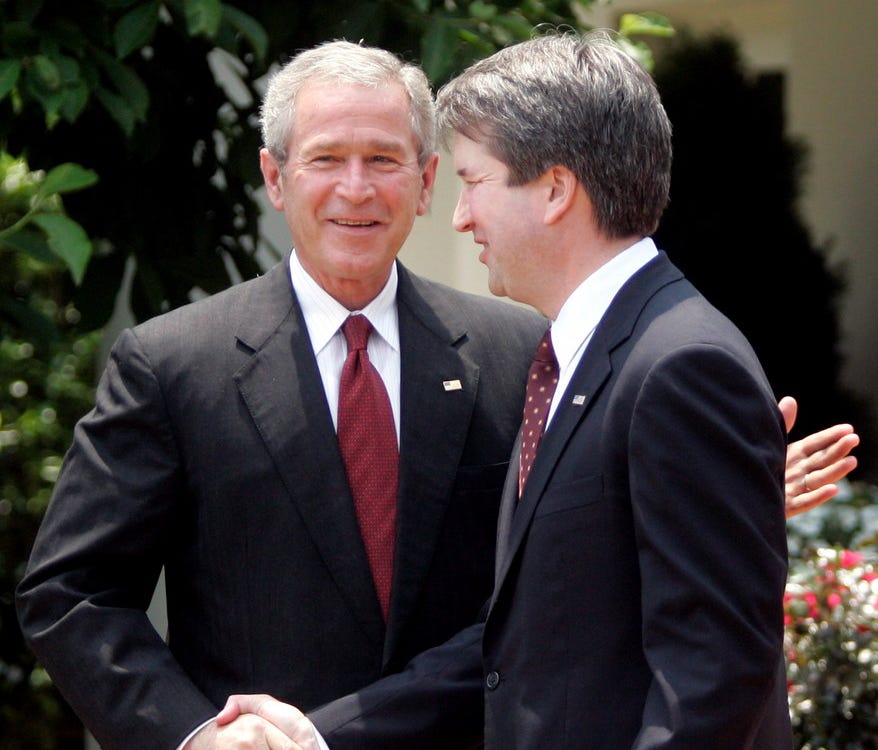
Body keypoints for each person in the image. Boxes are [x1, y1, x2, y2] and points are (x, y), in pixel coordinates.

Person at [16, 40, 856, 750]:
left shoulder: (528, 348)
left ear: (422, 183)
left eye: (384, 161)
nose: (356, 188)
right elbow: (69, 594)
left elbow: (573, 594)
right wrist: (198, 736)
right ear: (275, 178)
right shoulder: (171, 362)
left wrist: (707, 502)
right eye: (325, 161)